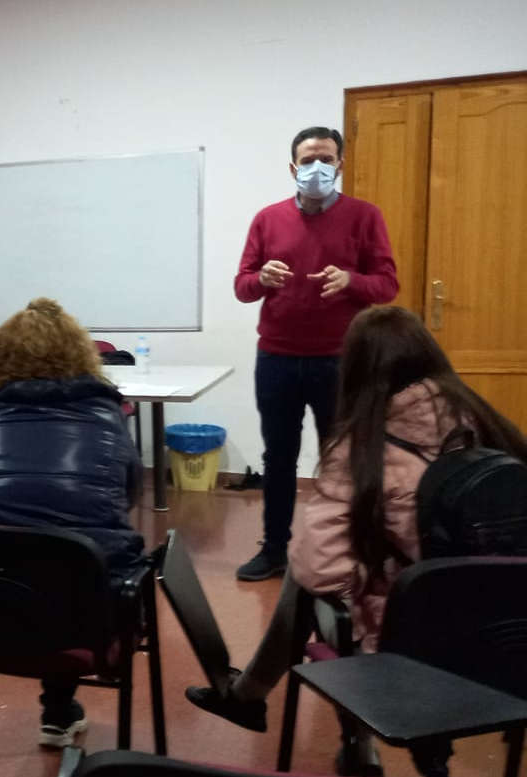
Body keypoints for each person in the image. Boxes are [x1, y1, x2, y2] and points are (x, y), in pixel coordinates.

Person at [188, 306, 527, 776]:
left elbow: (319, 572)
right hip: (506, 639)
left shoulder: (360, 450)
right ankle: (258, 699)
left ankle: (333, 732)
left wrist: (370, 566)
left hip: (410, 650)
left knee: (308, 581)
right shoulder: (488, 424)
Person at [0, 298, 146, 748]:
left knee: (34, 563)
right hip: (85, 618)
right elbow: (127, 497)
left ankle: (59, 711)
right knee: (71, 562)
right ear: (80, 353)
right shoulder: (107, 413)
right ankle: (58, 710)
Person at [232, 126, 400, 581]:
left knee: (343, 458)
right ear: (293, 168)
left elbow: (387, 285)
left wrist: (352, 281)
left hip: (340, 360)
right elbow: (242, 286)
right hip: (277, 359)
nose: (316, 168)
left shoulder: (365, 216)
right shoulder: (267, 219)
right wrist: (260, 279)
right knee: (278, 457)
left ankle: (345, 551)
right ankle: (274, 550)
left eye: (326, 159)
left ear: (340, 164)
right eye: (307, 161)